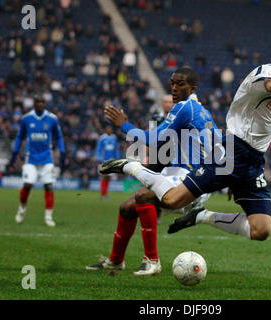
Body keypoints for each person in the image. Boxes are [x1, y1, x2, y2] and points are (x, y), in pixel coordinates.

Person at [100, 19, 271, 241]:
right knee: (172, 201)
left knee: (261, 230)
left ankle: (201, 216)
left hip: (253, 161)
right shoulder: (262, 78)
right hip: (231, 152)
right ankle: (133, 166)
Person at [87, 72, 220, 275]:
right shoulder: (202, 112)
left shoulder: (185, 107)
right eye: (172, 83)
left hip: (191, 179)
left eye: (180, 84)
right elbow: (219, 145)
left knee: (142, 196)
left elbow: (153, 139)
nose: (174, 88)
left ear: (192, 89)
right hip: (191, 177)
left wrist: (124, 124)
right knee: (127, 208)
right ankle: (115, 261)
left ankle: (152, 261)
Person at [9, 95, 66, 227]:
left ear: (45, 103)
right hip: (31, 158)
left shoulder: (52, 119)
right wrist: (14, 153)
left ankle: (48, 216)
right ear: (34, 103)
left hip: (47, 158)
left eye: (42, 102)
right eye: (38, 102)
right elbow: (19, 137)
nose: (40, 104)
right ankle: (22, 209)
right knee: (28, 184)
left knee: (49, 186)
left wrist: (62, 152)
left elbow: (59, 137)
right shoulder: (26, 119)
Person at [95, 125, 121, 200]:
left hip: (112, 160)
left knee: (109, 177)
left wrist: (118, 157)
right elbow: (99, 149)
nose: (109, 130)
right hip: (104, 160)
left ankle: (105, 194)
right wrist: (99, 158)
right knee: (105, 176)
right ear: (106, 130)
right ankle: (103, 195)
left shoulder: (114, 138)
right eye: (108, 128)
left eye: (110, 129)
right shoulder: (102, 138)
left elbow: (116, 149)